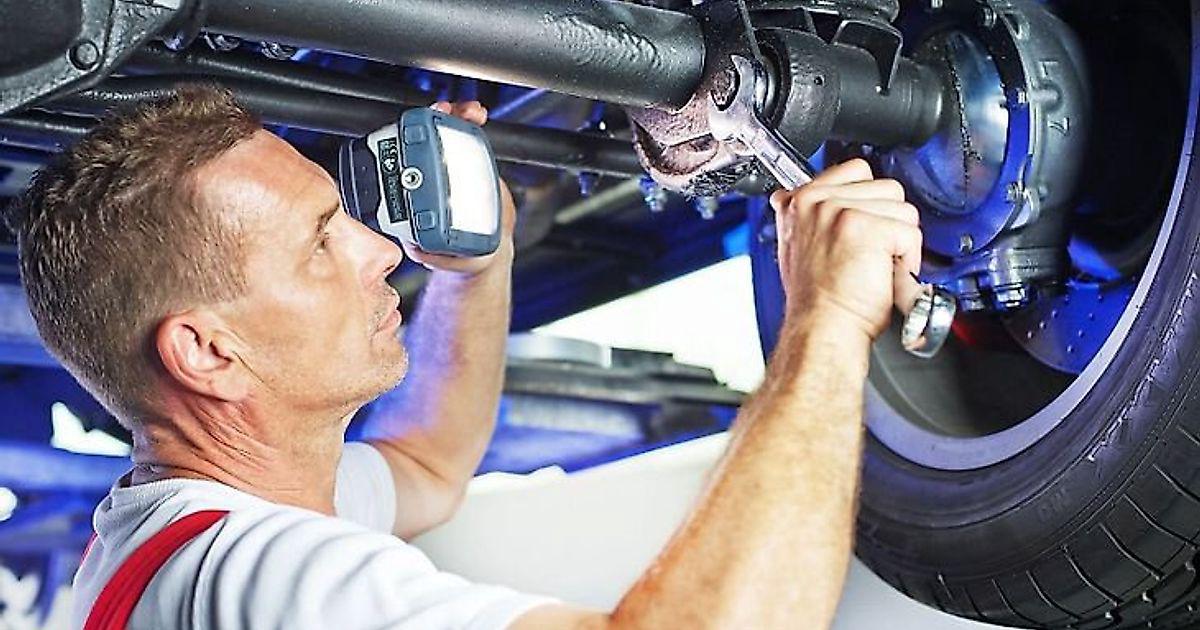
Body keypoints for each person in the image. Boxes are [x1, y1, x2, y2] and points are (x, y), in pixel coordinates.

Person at [10, 84, 921, 629]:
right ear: (208, 353)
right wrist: (826, 318)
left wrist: (479, 270)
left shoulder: (178, 535)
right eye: (319, 243)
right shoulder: (258, 578)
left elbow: (428, 462)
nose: (380, 250)